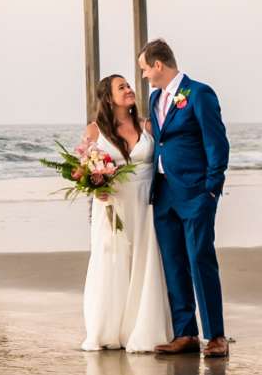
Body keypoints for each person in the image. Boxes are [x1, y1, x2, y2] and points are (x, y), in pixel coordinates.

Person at [138, 39, 231, 358]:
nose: (145, 75)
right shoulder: (154, 99)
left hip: (195, 192)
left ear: (159, 65)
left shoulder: (199, 93)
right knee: (173, 262)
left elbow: (217, 142)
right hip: (163, 191)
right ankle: (185, 333)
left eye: (145, 69)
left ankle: (216, 335)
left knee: (199, 258)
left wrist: (211, 187)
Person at [76, 74, 173, 352]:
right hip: (112, 204)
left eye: (129, 85)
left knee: (145, 258)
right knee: (112, 259)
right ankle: (107, 329)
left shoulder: (147, 126)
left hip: (145, 203)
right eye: (123, 87)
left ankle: (141, 328)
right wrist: (95, 188)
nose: (130, 90)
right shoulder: (94, 131)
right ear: (108, 97)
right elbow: (84, 169)